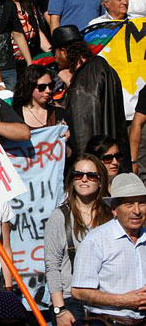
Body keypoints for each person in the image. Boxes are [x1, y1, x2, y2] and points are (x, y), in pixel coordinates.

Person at [44, 154, 111, 325]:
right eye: (78, 175)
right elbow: (52, 266)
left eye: (91, 175)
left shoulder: (111, 215)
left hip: (105, 300)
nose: (84, 179)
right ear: (72, 180)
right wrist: (59, 309)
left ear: (101, 180)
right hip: (70, 300)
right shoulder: (60, 216)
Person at [71, 173, 146, 322]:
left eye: (142, 203)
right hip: (109, 321)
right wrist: (122, 300)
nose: (137, 211)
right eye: (129, 204)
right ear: (114, 209)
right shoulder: (96, 240)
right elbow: (78, 291)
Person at [53, 25, 128, 160]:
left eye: (55, 52)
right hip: (115, 158)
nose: (55, 58)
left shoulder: (82, 83)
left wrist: (84, 165)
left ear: (63, 51)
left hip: (96, 163)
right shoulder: (104, 67)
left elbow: (83, 132)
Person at [12, 64, 65, 129]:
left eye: (51, 85)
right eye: (42, 87)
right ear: (29, 87)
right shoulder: (14, 115)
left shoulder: (59, 114)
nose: (48, 90)